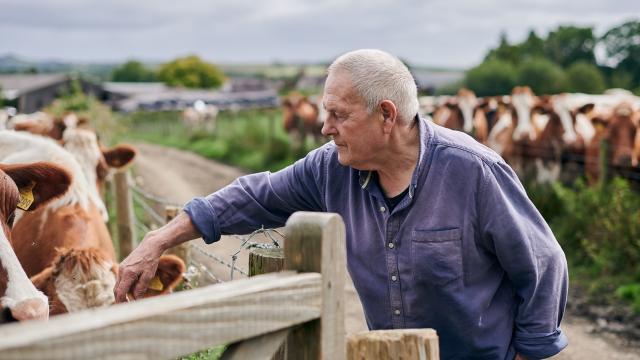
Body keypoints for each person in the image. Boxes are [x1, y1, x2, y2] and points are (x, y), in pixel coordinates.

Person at [115, 49, 568, 359]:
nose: (325, 128)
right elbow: (256, 195)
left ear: (386, 116)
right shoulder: (330, 169)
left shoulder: (473, 171)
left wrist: (529, 354)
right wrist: (160, 239)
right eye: (324, 112)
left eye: (339, 115)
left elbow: (544, 265)